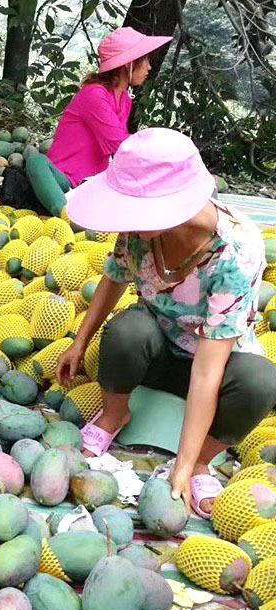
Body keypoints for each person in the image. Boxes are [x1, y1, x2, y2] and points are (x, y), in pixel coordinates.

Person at [56, 128, 276, 519]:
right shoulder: (141, 231)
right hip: (158, 350)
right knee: (127, 330)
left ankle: (206, 459)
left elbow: (209, 372)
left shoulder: (238, 252)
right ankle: (113, 414)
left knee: (262, 382)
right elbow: (114, 277)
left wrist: (185, 463)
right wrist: (79, 342)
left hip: (217, 367)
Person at [26, 27, 172, 217]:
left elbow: (119, 149)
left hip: (93, 183)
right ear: (127, 65)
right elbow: (119, 144)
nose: (149, 67)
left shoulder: (125, 100)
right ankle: (67, 217)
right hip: (65, 179)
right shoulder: (94, 94)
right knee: (36, 162)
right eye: (145, 61)